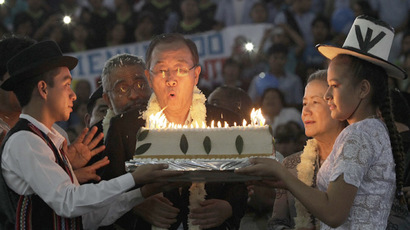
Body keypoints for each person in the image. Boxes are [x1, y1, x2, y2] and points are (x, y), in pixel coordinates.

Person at [236, 15, 407, 228]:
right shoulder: (374, 129)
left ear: (363, 89)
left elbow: (334, 213)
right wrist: (289, 183)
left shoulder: (358, 134)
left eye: (334, 85)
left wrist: (282, 173)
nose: (327, 95)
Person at [0, 40, 181, 229]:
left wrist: (142, 193)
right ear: (43, 89)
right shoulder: (25, 140)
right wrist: (134, 178)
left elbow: (84, 219)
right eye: (67, 84)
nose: (73, 95)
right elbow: (69, 203)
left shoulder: (51, 138)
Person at [120, 33, 247, 230]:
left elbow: (243, 182)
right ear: (149, 77)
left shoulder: (227, 122)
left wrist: (229, 207)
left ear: (195, 75)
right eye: (161, 70)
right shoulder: (125, 126)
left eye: (180, 69)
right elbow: (107, 187)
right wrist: (134, 204)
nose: (171, 79)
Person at [268, 69, 346, 229]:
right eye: (304, 103)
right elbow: (277, 222)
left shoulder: (356, 158)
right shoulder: (291, 165)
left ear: (338, 106)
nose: (306, 111)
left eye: (315, 102)